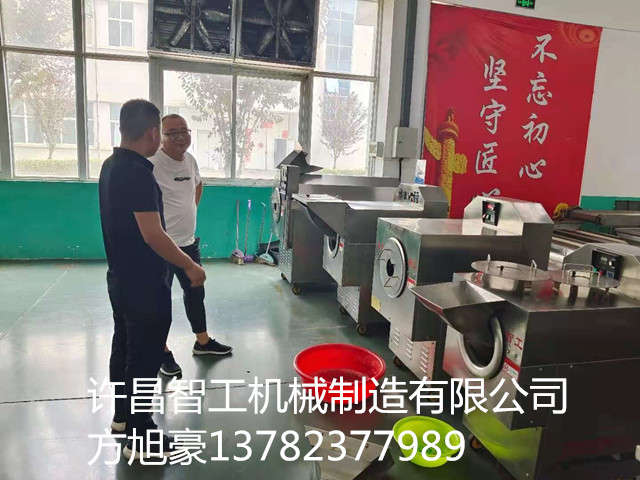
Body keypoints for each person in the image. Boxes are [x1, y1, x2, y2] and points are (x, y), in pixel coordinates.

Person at [99, 99, 206, 460]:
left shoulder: (111, 166)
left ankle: (122, 419)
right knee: (144, 360)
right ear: (152, 133)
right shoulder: (139, 173)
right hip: (144, 283)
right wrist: (189, 266)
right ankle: (140, 436)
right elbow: (154, 235)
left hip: (120, 278)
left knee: (124, 347)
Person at [149, 113, 232, 377]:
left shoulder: (191, 161)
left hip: (188, 244)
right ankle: (160, 351)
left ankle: (203, 342)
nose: (180, 137)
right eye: (172, 132)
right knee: (159, 302)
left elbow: (198, 186)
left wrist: (189, 210)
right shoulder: (151, 164)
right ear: (160, 136)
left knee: (195, 293)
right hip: (161, 247)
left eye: (184, 131)